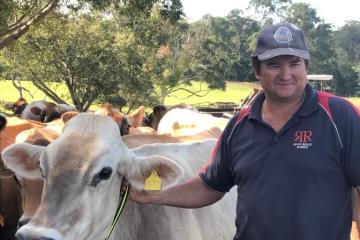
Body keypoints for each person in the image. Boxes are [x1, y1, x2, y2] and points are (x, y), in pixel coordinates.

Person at [130, 22, 360, 240]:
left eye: (294, 63)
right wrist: (158, 195)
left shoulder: (339, 116)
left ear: (305, 66)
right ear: (256, 69)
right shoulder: (240, 124)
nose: (285, 73)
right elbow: (210, 186)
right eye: (274, 65)